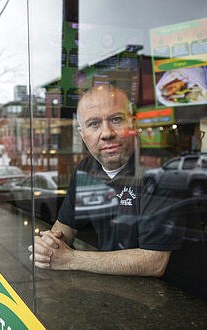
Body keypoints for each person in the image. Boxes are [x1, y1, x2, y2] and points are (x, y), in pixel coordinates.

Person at [28, 84, 182, 277]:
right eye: (94, 124)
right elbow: (65, 226)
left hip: (172, 298)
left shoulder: (161, 169)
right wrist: (48, 245)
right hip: (115, 290)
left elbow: (153, 261)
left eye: (116, 120)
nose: (107, 133)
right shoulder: (86, 170)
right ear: (82, 134)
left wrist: (70, 259)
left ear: (133, 124)